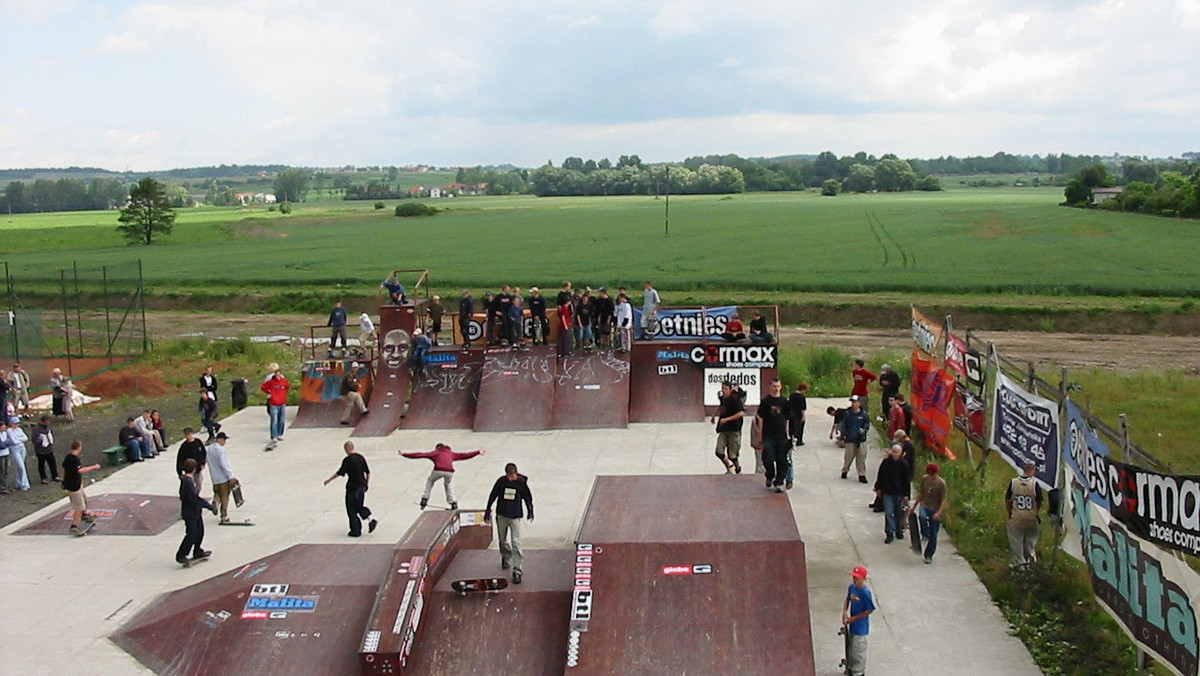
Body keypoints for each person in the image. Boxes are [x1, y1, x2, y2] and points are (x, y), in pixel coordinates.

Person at [485, 462, 535, 584]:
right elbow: (493, 495)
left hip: (515, 517)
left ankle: (517, 570)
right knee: (502, 540)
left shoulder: (521, 483)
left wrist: (530, 511)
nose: (510, 479)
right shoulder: (501, 482)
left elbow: (528, 497)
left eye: (512, 476)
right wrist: (488, 510)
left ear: (516, 474)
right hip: (502, 515)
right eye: (508, 476)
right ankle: (506, 555)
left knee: (516, 542)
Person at [400, 443, 486, 510]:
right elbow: (464, 455)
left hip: (438, 470)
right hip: (449, 472)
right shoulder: (451, 453)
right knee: (448, 485)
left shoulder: (436, 452)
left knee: (430, 480)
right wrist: (477, 452)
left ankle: (425, 498)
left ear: (437, 448)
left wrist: (405, 454)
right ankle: (453, 502)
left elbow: (420, 455)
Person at [324, 441, 377, 537]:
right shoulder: (361, 458)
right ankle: (370, 518)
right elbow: (368, 472)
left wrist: (329, 480)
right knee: (359, 506)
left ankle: (355, 531)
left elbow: (340, 472)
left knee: (351, 509)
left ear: (346, 449)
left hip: (352, 488)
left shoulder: (347, 460)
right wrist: (366, 484)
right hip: (361, 486)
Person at [176, 458, 216, 565]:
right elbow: (194, 498)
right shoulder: (188, 482)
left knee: (200, 531)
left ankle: (197, 550)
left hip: (195, 511)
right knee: (191, 534)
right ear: (194, 469)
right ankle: (181, 554)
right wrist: (208, 506)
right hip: (190, 512)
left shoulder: (187, 480)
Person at [907, 462, 948, 564]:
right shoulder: (925, 479)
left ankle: (929, 554)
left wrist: (939, 513)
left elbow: (943, 500)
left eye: (932, 474)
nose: (931, 476)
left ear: (936, 473)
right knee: (922, 517)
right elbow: (922, 493)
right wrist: (914, 506)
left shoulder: (941, 483)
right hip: (925, 505)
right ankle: (925, 534)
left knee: (934, 535)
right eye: (929, 474)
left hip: (935, 509)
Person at [755, 379, 791, 493]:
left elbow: (788, 419)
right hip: (768, 435)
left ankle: (779, 482)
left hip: (781, 436)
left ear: (781, 387)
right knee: (768, 458)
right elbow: (760, 418)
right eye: (774, 386)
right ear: (770, 387)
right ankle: (770, 475)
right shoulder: (765, 401)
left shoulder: (785, 401)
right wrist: (760, 435)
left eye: (778, 386)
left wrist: (788, 434)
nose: (776, 388)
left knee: (782, 460)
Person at [1006, 462, 1043, 571]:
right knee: (1030, 542)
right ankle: (1031, 563)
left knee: (1016, 541)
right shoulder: (1035, 484)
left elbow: (1008, 499)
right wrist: (1035, 512)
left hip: (1017, 516)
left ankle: (1019, 564)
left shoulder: (1014, 482)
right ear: (1033, 471)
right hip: (1031, 517)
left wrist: (1010, 513)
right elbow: (1039, 501)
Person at [842, 565, 875, 676]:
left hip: (861, 627)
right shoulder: (852, 588)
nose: (854, 579)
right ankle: (851, 668)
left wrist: (853, 619)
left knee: (858, 650)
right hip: (852, 626)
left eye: (857, 578)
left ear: (864, 578)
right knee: (851, 649)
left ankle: (859, 672)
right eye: (854, 577)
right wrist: (844, 613)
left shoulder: (865, 593)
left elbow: (869, 610)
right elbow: (847, 600)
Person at [873, 443, 910, 544]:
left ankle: (898, 530)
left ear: (901, 453)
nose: (894, 454)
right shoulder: (885, 463)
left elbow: (907, 481)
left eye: (896, 452)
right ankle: (890, 532)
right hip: (887, 492)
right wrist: (878, 488)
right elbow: (880, 476)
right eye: (893, 451)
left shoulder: (904, 465)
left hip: (899, 493)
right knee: (889, 512)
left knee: (899, 513)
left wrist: (907, 495)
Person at [62, 440, 101, 534]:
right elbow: (80, 470)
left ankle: (84, 515)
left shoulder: (68, 457)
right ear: (79, 448)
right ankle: (74, 526)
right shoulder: (74, 459)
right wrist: (93, 467)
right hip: (74, 486)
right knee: (79, 507)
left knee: (85, 500)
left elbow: (64, 469)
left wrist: (64, 480)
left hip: (77, 484)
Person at [711, 381, 745, 474]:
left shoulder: (734, 399)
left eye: (726, 389)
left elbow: (741, 413)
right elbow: (721, 406)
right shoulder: (723, 398)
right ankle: (729, 467)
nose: (724, 391)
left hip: (734, 429)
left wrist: (727, 419)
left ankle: (737, 468)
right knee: (719, 451)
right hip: (723, 429)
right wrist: (714, 415)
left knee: (732, 455)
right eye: (722, 388)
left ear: (730, 390)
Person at [206, 432, 237, 523]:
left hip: (214, 477)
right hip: (223, 477)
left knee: (217, 493)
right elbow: (224, 464)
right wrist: (231, 475)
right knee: (225, 496)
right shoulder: (221, 450)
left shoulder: (210, 449)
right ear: (219, 439)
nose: (224, 442)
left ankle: (215, 502)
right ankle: (224, 516)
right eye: (224, 440)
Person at [839, 395, 872, 483]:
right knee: (848, 457)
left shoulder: (864, 414)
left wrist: (864, 430)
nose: (854, 404)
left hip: (861, 439)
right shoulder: (848, 414)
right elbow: (843, 426)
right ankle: (845, 470)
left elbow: (867, 424)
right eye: (852, 402)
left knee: (861, 457)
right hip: (850, 439)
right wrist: (842, 437)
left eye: (855, 402)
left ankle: (862, 474)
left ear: (859, 403)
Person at [260, 365, 290, 446]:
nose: (278, 376)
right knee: (274, 420)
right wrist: (269, 392)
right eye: (276, 375)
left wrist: (284, 394)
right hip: (273, 403)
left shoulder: (284, 381)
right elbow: (263, 387)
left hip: (282, 402)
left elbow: (287, 387)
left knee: (282, 419)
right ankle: (274, 436)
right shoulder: (271, 381)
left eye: (279, 375)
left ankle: (280, 434)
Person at [2, 418, 30, 491]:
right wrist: (20, 439)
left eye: (17, 423)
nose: (16, 425)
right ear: (11, 424)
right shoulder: (9, 431)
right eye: (15, 423)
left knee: (21, 466)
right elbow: (14, 441)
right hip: (15, 449)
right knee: (21, 466)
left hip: (22, 448)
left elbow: (26, 438)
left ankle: (19, 482)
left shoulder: (19, 430)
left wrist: (18, 439)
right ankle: (24, 484)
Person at [176, 427, 207, 493]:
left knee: (199, 482)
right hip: (189, 468)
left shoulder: (198, 442)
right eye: (187, 435)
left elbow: (203, 453)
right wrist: (180, 471)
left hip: (198, 467)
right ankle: (193, 495)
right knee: (191, 483)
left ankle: (196, 494)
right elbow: (180, 458)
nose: (188, 436)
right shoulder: (184, 446)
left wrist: (203, 462)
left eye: (189, 434)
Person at [33, 415, 59, 485]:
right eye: (47, 422)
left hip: (49, 449)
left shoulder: (48, 427)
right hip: (40, 450)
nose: (48, 423)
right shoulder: (36, 429)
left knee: (52, 463)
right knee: (42, 464)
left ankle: (55, 475)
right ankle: (43, 477)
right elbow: (34, 440)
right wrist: (40, 440)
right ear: (42, 422)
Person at [556, 292, 574, 357]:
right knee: (565, 338)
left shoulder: (567, 308)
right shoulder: (564, 308)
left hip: (567, 323)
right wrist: (565, 325)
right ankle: (564, 351)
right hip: (564, 325)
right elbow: (563, 317)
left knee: (567, 338)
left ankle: (566, 351)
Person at [0, 420, 9, 494]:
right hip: (1, 455)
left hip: (6, 453)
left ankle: (6, 486)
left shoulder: (6, 433)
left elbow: (11, 441)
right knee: (2, 471)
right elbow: (1, 446)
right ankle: (2, 487)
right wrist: (7, 443)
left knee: (6, 471)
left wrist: (6, 443)